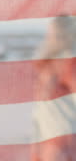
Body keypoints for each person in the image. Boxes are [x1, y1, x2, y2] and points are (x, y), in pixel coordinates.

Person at [31, 15, 76, 161]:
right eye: (51, 34)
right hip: (44, 133)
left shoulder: (70, 62)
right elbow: (39, 109)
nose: (53, 38)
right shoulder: (47, 64)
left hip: (62, 136)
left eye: (60, 35)